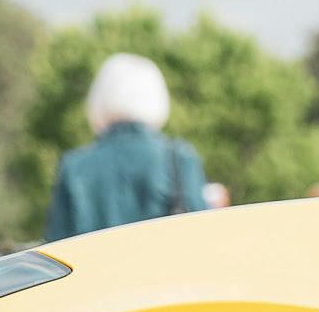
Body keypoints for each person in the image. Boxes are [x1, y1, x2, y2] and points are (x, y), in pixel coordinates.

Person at [44, 54, 206, 239]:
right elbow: (200, 238)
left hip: (98, 267)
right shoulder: (180, 158)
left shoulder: (75, 166)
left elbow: (56, 244)